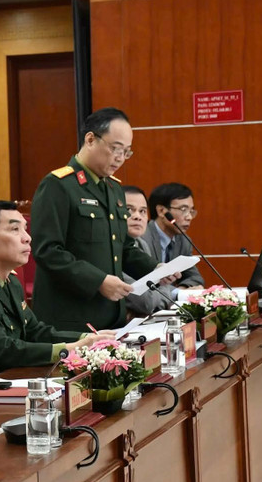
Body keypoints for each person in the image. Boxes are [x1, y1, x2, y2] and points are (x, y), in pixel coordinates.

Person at [0, 201, 111, 381]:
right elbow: (0, 348)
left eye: (25, 229)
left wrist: (88, 339)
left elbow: (34, 331)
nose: (27, 238)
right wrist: (69, 349)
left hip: (12, 378)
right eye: (15, 229)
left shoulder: (8, 278)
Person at [30, 107, 159, 331]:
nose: (120, 158)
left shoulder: (114, 188)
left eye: (127, 152)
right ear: (90, 139)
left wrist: (156, 269)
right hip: (72, 317)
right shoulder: (58, 185)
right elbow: (48, 250)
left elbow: (124, 247)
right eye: (115, 148)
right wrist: (98, 281)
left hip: (112, 315)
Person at [122, 186, 175, 315]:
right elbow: (146, 302)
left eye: (142, 211)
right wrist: (162, 293)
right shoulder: (115, 249)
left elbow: (159, 292)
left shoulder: (142, 244)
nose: (137, 217)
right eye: (129, 210)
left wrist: (161, 291)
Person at [145, 182, 204, 288]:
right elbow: (144, 283)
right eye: (183, 210)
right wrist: (176, 294)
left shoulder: (183, 241)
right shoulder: (143, 238)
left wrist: (184, 288)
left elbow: (194, 277)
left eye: (191, 211)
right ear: (161, 211)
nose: (189, 217)